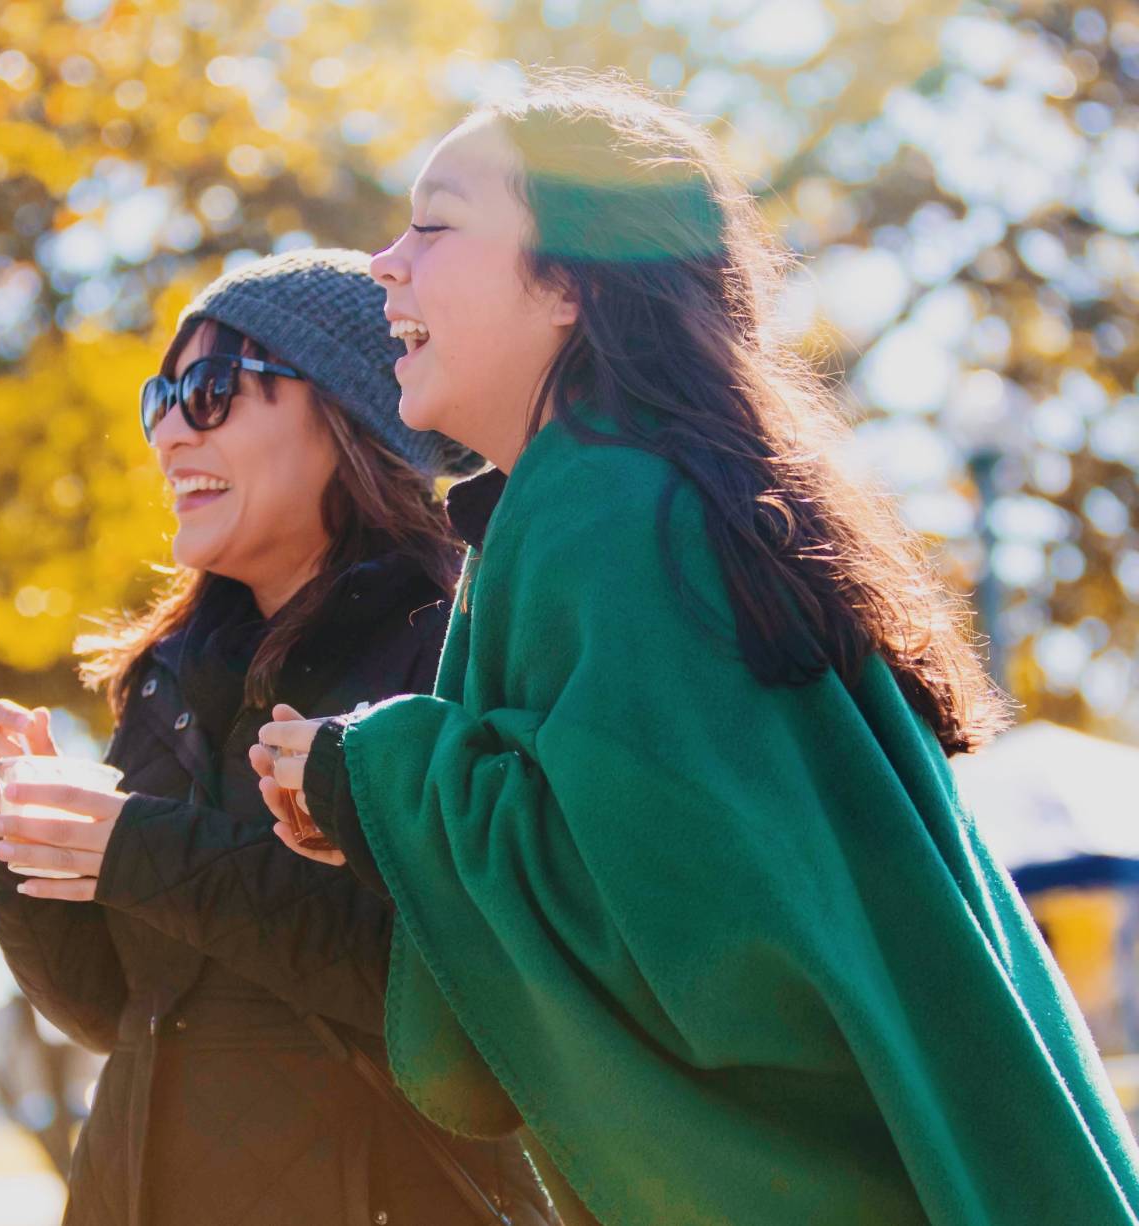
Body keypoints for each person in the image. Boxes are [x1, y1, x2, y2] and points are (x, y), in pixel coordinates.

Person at [256, 71, 1139, 1225]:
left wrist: (369, 770)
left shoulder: (615, 509)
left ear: (569, 280)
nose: (386, 261)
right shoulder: (655, 491)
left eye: (436, 223)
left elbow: (679, 930)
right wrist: (378, 800)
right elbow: (704, 855)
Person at [0, 249, 554, 1226]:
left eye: (210, 390)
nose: (167, 432)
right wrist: (16, 841)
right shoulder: (165, 674)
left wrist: (141, 847)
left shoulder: (459, 645)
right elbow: (108, 1008)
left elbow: (448, 987)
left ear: (351, 411)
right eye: (159, 399)